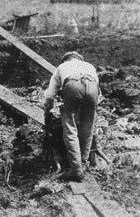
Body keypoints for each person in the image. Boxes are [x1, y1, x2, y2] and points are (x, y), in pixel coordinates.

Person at [43, 51, 100, 182]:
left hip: (73, 85)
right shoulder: (89, 66)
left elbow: (50, 95)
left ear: (65, 60)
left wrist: (48, 109)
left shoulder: (61, 67)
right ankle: (84, 163)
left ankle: (76, 170)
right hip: (92, 87)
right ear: (79, 59)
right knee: (87, 128)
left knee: (70, 128)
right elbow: (98, 93)